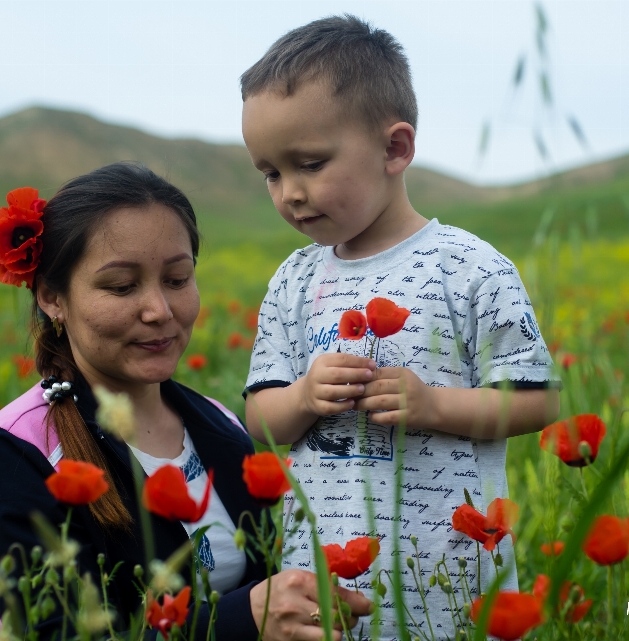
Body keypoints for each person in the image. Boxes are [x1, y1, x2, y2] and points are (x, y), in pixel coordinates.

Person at [240, 16, 562, 639]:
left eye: (309, 163)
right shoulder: (292, 280)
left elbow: (539, 400)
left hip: (449, 577)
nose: (290, 194)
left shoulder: (470, 267)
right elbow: (261, 419)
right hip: (321, 582)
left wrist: (435, 404)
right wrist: (304, 396)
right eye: (271, 174)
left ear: (394, 149)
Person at [0, 162, 371, 640]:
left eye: (177, 279)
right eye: (121, 286)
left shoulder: (218, 426)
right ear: (52, 297)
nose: (160, 311)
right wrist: (243, 621)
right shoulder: (16, 453)